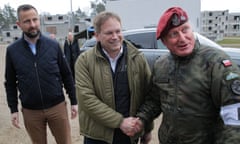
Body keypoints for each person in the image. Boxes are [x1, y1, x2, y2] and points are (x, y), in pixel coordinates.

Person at [133, 7, 240, 144]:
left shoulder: (216, 62)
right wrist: (141, 119)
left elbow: (234, 112)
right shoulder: (161, 65)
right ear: (164, 42)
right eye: (174, 34)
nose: (182, 39)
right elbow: (154, 100)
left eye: (185, 30)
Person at [75, 11, 152, 144]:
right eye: (109, 33)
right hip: (97, 136)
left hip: (128, 134)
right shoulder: (84, 61)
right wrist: (120, 122)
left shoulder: (137, 58)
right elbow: (87, 99)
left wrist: (147, 128)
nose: (115, 37)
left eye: (118, 31)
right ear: (97, 36)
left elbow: (148, 95)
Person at [4, 4, 78, 144]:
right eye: (27, 21)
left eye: (35, 19)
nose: (32, 25)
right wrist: (13, 109)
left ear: (39, 20)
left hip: (57, 107)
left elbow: (66, 74)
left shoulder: (53, 45)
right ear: (19, 24)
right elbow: (10, 83)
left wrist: (74, 101)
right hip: (31, 111)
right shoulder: (12, 51)